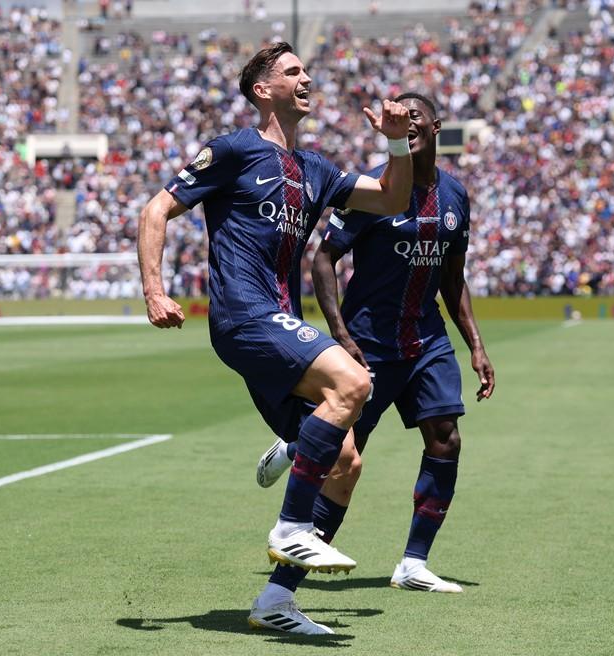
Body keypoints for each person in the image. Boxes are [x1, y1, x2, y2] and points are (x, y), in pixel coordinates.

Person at [138, 42, 413, 635]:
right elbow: (156, 210)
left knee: (345, 462)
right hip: (245, 314)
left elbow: (393, 196)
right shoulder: (235, 149)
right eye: (293, 72)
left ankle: (275, 603)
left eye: (306, 70)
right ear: (263, 89)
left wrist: (396, 142)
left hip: (278, 322)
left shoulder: (316, 167)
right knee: (354, 382)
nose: (307, 78)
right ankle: (291, 527)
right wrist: (156, 291)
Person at [255, 92, 495, 597]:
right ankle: (291, 567)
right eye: (400, 119)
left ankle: (414, 563)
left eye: (416, 118)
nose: (408, 125)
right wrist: (341, 334)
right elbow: (324, 261)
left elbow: (455, 278)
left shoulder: (456, 196)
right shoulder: (374, 190)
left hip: (427, 339)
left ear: (436, 126)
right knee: (345, 455)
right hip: (369, 342)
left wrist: (475, 343)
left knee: (446, 438)